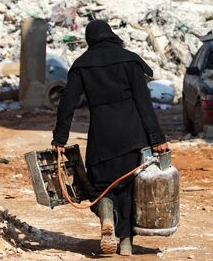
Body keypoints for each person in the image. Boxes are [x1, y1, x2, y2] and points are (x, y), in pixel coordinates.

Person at [51, 20, 168, 256]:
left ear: (90, 40)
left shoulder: (82, 65)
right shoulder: (130, 60)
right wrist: (157, 138)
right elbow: (144, 104)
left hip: (101, 137)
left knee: (100, 185)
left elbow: (67, 105)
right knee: (128, 190)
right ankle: (125, 243)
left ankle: (106, 215)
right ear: (111, 35)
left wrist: (60, 139)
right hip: (133, 136)